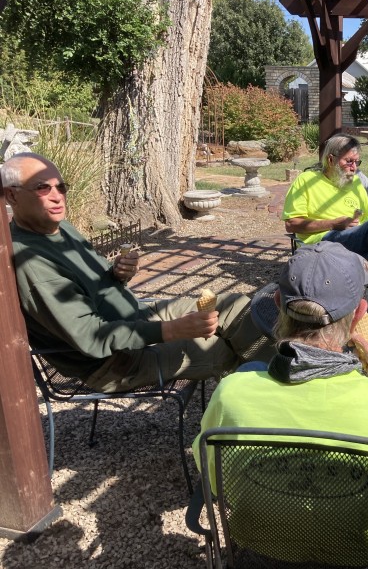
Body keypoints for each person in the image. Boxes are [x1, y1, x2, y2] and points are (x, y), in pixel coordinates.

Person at [193, 241, 368, 560]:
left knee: (251, 368)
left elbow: (212, 474)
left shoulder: (231, 393)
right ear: (360, 312)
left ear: (278, 304)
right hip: (362, 557)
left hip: (264, 548)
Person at [2, 152, 274, 393]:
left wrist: (118, 273)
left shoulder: (60, 228)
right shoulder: (33, 262)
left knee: (236, 305)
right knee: (222, 350)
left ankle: (286, 370)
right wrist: (171, 330)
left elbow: (95, 285)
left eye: (61, 187)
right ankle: (276, 403)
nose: (57, 195)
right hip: (116, 363)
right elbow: (90, 337)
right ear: (12, 194)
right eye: (42, 188)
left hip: (138, 318)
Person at [282, 133, 368, 270]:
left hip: (353, 239)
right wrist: (333, 224)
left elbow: (366, 218)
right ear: (330, 160)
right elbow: (291, 224)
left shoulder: (355, 182)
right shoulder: (306, 180)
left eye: (356, 162)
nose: (354, 168)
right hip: (321, 242)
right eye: (349, 161)